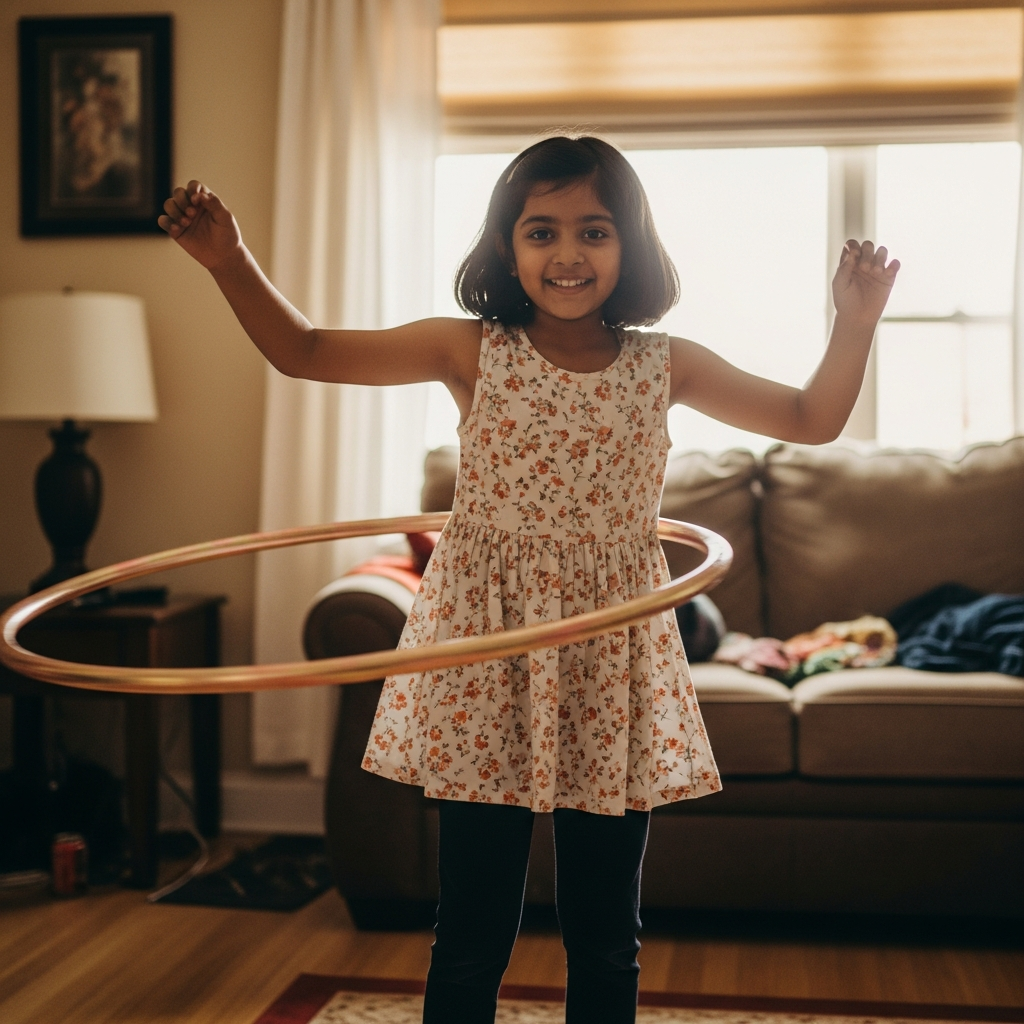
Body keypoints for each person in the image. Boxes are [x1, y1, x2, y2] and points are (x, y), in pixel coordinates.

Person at [158, 135, 898, 1024]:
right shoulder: (471, 350)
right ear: (506, 246)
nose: (568, 254)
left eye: (594, 231)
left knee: (606, 932)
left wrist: (854, 323)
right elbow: (305, 349)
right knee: (470, 930)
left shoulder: (667, 364)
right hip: (486, 658)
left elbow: (811, 418)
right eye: (540, 231)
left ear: (631, 245)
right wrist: (229, 260)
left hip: (609, 661)